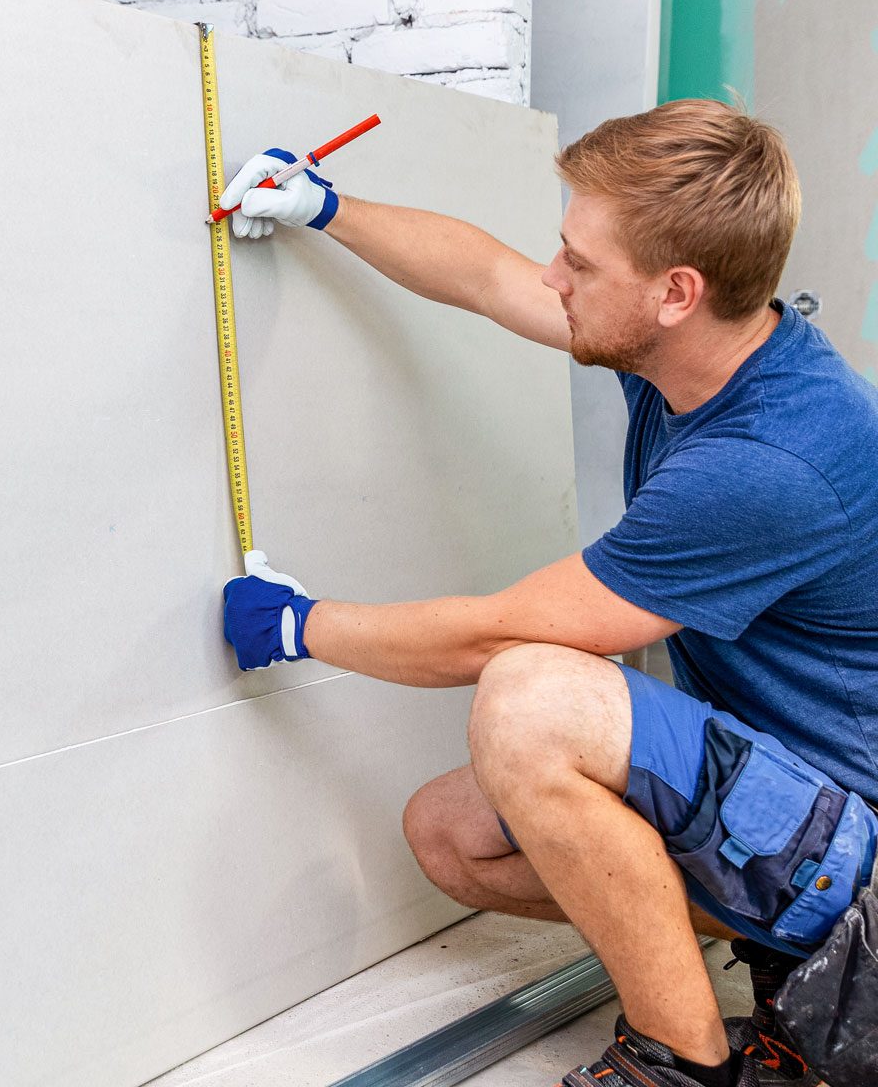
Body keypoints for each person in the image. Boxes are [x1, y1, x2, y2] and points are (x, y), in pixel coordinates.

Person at [218, 101, 878, 1087]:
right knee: (452, 835)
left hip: (856, 845)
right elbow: (487, 276)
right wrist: (327, 207)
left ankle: (680, 1059)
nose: (554, 277)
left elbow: (490, 638)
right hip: (803, 796)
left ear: (675, 292)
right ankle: (784, 952)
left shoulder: (766, 461)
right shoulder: (697, 354)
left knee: (531, 695)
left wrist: (299, 625)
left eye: (580, 262)